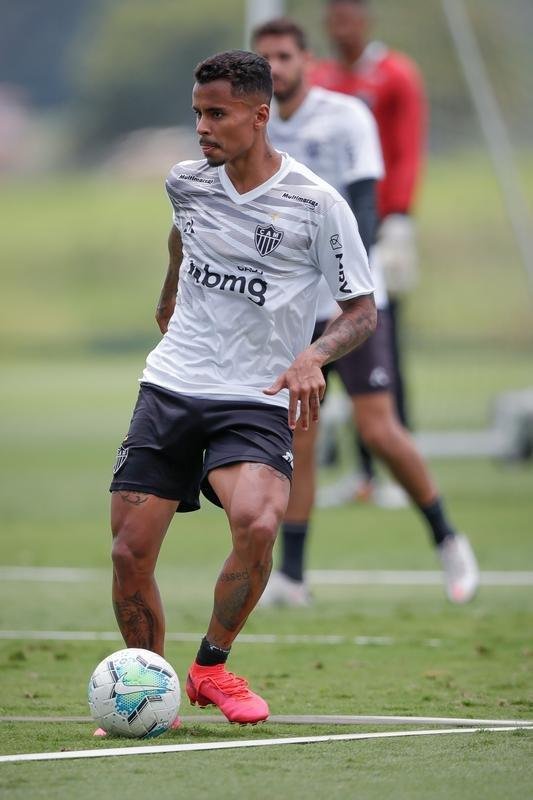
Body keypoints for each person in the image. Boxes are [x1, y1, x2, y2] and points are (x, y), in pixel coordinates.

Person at [108, 49, 377, 727]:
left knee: (258, 520)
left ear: (259, 116)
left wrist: (312, 356)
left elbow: (361, 310)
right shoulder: (186, 182)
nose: (201, 126)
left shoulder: (315, 205)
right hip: (171, 383)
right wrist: (169, 295)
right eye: (197, 113)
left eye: (216, 114)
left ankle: (210, 668)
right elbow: (183, 236)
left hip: (254, 394)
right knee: (128, 554)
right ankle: (152, 692)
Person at [252, 18, 479, 607]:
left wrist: (354, 278)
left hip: (347, 303)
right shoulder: (257, 123)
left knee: (379, 429)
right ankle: (294, 577)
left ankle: (448, 539)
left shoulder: (346, 115)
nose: (273, 68)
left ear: (306, 59)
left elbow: (364, 204)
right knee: (298, 434)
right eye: (264, 58)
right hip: (290, 310)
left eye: (283, 55)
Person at [309, 0, 427, 502]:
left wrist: (393, 217)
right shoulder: (320, 78)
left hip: (378, 230)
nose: (341, 27)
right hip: (329, 235)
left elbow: (405, 151)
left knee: (382, 344)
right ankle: (359, 472)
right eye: (333, 17)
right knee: (328, 345)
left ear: (366, 19)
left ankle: (394, 465)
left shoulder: (395, 75)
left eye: (348, 16)